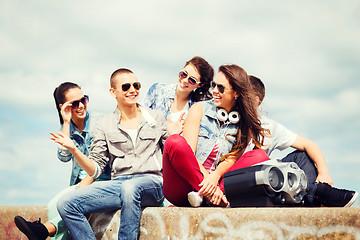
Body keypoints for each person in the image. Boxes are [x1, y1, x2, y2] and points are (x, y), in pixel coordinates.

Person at [49, 68, 182, 240]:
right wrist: (74, 149)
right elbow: (95, 169)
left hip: (152, 184)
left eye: (136, 85)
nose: (133, 90)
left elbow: (172, 156)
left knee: (130, 188)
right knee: (66, 203)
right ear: (113, 92)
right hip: (119, 184)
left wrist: (175, 135)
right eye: (126, 87)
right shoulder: (104, 125)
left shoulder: (156, 117)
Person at [162, 64, 271, 207]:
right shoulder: (198, 109)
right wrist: (209, 184)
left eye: (221, 88)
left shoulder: (245, 123)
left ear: (236, 93)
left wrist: (215, 176)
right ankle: (211, 196)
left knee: (259, 155)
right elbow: (190, 154)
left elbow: (232, 158)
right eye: (214, 85)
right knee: (174, 141)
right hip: (185, 186)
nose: (214, 91)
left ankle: (207, 196)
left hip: (217, 184)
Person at [14, 82, 111, 240]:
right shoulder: (66, 128)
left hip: (101, 180)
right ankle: (44, 232)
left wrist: (82, 186)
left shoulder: (99, 122)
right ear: (63, 107)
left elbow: (103, 162)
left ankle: (43, 230)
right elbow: (64, 156)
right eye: (74, 103)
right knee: (54, 204)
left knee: (67, 203)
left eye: (83, 100)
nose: (80, 106)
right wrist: (66, 122)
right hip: (79, 184)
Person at [247, 75, 358, 207]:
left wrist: (324, 172)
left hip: (265, 180)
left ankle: (313, 197)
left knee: (302, 156)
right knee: (264, 163)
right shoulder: (230, 120)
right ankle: (318, 195)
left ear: (255, 101)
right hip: (241, 181)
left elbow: (309, 144)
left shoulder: (269, 126)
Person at [142, 56, 213, 122]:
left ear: (200, 85)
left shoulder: (198, 107)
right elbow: (140, 116)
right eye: (184, 74)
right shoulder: (157, 90)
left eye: (192, 80)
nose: (185, 80)